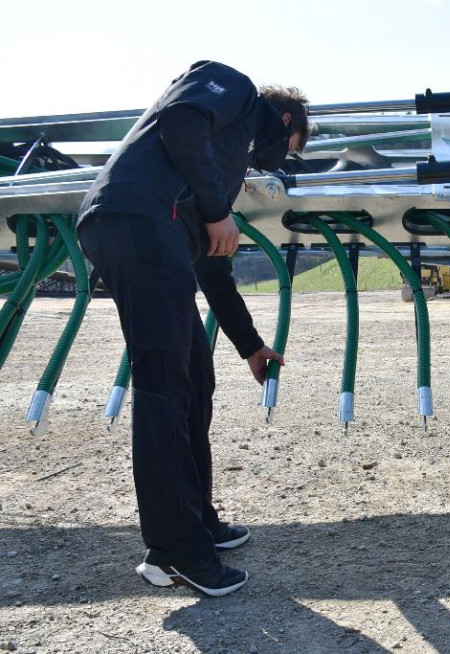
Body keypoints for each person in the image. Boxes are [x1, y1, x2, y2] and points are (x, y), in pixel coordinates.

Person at [76, 61, 310, 596]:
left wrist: (249, 345)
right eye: (289, 144)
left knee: (193, 380)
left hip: (154, 233)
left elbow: (213, 264)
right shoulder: (233, 87)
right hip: (134, 221)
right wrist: (213, 208)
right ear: (283, 116)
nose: (280, 157)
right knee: (162, 387)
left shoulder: (213, 165)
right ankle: (172, 552)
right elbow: (180, 115)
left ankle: (196, 521)